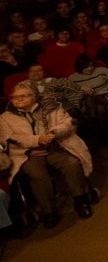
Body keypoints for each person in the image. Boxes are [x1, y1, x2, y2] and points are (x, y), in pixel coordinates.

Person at [0, 80, 94, 228]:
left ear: (34, 96)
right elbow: (8, 138)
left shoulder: (52, 107)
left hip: (55, 147)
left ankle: (80, 200)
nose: (18, 100)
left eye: (23, 96)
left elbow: (67, 123)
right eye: (14, 97)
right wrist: (37, 140)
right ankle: (49, 211)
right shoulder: (5, 117)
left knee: (72, 164)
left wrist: (54, 132)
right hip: (26, 154)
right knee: (38, 175)